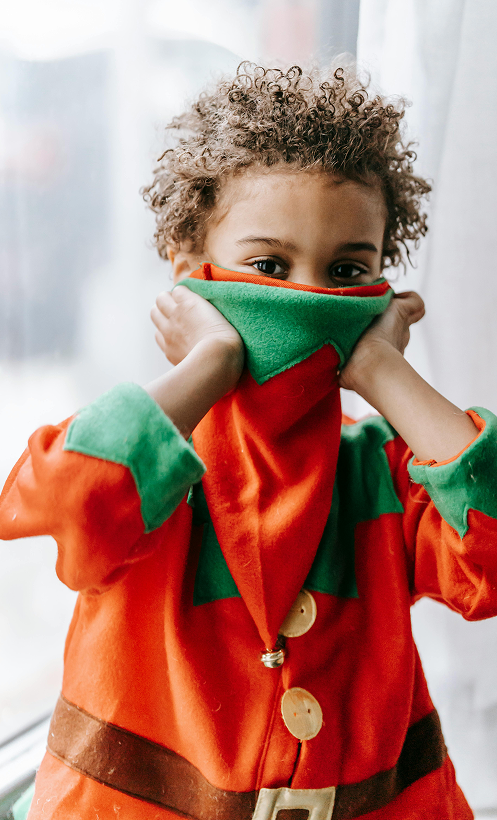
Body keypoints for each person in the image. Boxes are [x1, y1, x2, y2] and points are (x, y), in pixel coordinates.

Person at [2, 63, 496, 820]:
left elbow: (486, 559)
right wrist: (212, 362)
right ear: (188, 273)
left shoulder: (384, 473)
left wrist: (382, 369)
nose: (307, 297)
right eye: (266, 266)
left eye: (345, 271)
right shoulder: (149, 459)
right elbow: (61, 504)